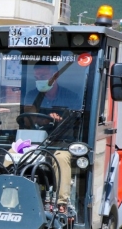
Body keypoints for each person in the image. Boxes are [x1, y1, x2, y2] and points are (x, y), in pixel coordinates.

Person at [19, 61, 82, 213]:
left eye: (44, 75)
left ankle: (61, 205)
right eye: (37, 76)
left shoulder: (71, 97)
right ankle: (11, 199)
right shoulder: (32, 95)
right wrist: (43, 119)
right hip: (35, 140)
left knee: (60, 158)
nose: (40, 79)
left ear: (56, 76)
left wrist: (59, 119)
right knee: (11, 156)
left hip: (62, 142)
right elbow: (27, 119)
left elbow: (75, 122)